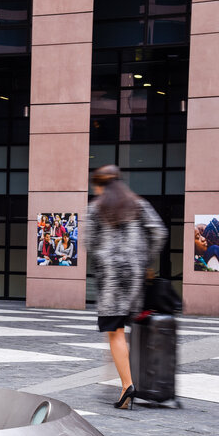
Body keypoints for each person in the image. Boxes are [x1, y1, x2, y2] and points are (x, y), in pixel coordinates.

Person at [85, 165, 167, 409]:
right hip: (133, 277)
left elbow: (89, 241)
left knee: (115, 331)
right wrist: (145, 259)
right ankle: (123, 374)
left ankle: (127, 386)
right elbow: (160, 233)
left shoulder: (96, 208)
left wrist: (101, 257)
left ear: (99, 185)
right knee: (125, 329)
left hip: (110, 279)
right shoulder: (138, 205)